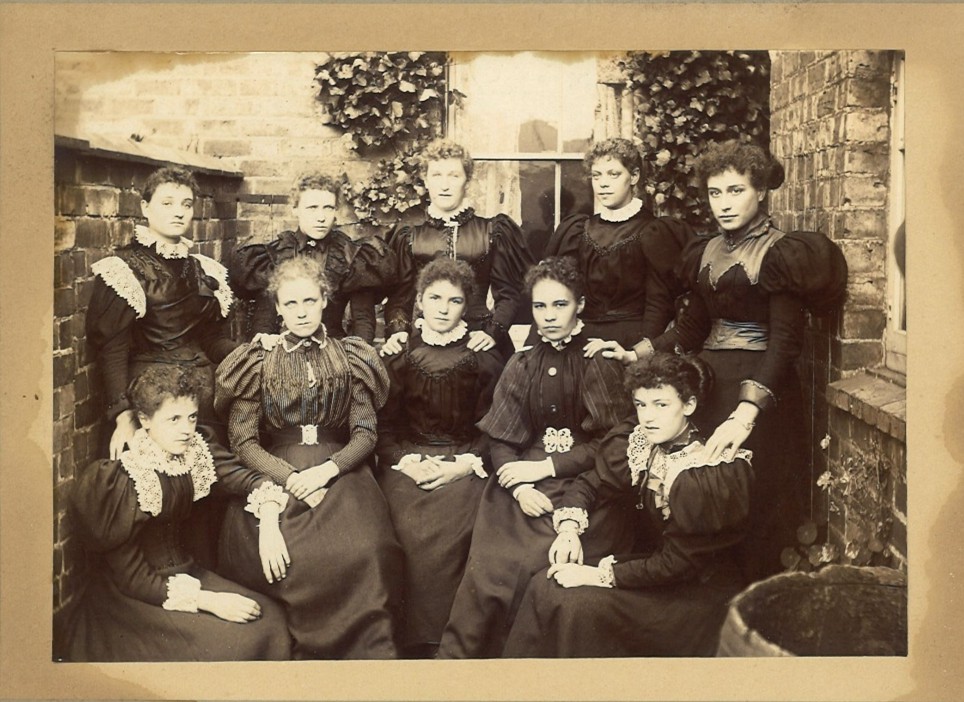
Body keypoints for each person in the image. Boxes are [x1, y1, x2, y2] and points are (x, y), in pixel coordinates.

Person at [608, 140, 847, 581]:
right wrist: (638, 352)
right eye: (715, 193)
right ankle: (705, 606)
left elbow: (784, 343)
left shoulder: (781, 253)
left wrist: (746, 413)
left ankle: (756, 605)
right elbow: (690, 331)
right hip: (711, 389)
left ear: (760, 192)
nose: (724, 204)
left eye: (735, 191)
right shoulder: (705, 252)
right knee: (710, 500)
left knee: (758, 502)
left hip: (762, 392)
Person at [437, 257, 635, 659]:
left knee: (538, 565)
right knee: (493, 564)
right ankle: (462, 665)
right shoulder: (522, 362)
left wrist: (545, 467)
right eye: (540, 307)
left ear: (579, 304)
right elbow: (500, 439)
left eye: (559, 305)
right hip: (521, 487)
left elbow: (610, 444)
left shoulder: (597, 361)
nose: (548, 317)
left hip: (586, 486)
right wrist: (520, 483)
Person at [503, 353, 754, 657]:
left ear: (688, 405)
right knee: (546, 585)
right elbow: (590, 482)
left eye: (661, 405)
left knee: (573, 604)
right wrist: (569, 529)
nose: (648, 417)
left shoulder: (707, 471)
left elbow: (679, 565)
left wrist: (598, 576)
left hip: (699, 596)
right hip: (659, 572)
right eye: (641, 405)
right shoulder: (641, 445)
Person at [214, 256, 402, 659]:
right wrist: (288, 476)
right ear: (277, 308)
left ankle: (368, 654)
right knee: (296, 555)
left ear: (324, 301)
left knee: (367, 548)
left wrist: (326, 471)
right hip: (275, 471)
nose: (301, 312)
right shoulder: (258, 361)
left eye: (309, 301)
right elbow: (243, 442)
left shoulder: (351, 357)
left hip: (341, 467)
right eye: (291, 304)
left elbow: (366, 433)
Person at [58, 366, 291, 662]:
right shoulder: (124, 478)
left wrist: (269, 524)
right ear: (144, 420)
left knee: (271, 619)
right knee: (237, 644)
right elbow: (133, 579)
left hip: (189, 574)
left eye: (192, 417)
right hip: (136, 597)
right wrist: (210, 602)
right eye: (174, 419)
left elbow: (250, 480)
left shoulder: (196, 453)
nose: (187, 429)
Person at [375, 257, 505, 658]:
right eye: (434, 298)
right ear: (419, 301)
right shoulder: (399, 355)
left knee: (462, 525)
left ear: (467, 306)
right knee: (401, 525)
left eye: (454, 300)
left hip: (465, 463)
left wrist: (461, 466)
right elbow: (383, 428)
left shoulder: (483, 357)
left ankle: (449, 643)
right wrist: (406, 461)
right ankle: (404, 641)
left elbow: (494, 427)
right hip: (408, 461)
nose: (443, 308)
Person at [86, 166, 237, 458]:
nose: (178, 212)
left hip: (201, 403)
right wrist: (122, 413)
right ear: (146, 207)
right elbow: (111, 350)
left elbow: (210, 340)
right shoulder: (124, 269)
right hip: (151, 399)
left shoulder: (202, 269)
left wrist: (249, 354)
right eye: (167, 203)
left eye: (186, 204)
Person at [536, 137, 693, 354]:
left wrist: (638, 354)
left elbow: (658, 305)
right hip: (580, 342)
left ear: (634, 176)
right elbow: (556, 293)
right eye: (596, 176)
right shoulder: (578, 230)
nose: (603, 184)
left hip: (632, 342)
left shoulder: (653, 232)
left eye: (613, 174)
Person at [381, 139, 533, 361]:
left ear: (467, 180)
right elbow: (399, 300)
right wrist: (398, 331)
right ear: (425, 180)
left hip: (479, 337)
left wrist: (493, 332)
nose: (445, 185)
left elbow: (508, 294)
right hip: (424, 340)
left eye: (454, 176)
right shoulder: (409, 237)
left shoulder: (492, 231)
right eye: (437, 175)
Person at [229, 171, 396, 343]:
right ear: (295, 209)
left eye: (328, 208)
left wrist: (358, 358)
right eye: (312, 208)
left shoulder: (351, 255)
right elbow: (265, 320)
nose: (321, 218)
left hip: (332, 350)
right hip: (283, 349)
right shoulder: (275, 253)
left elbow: (363, 322)